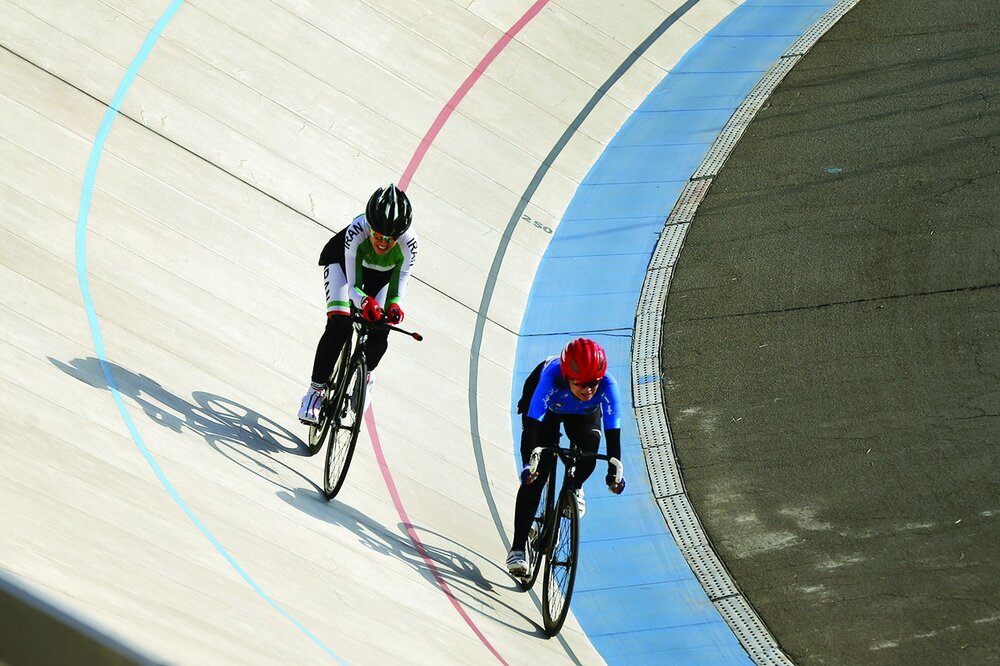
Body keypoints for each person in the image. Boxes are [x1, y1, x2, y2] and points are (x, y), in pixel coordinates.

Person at [505, 338, 627, 576]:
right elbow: (532, 427)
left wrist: (614, 474)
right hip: (547, 410)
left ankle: (573, 488)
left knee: (589, 456)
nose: (589, 390)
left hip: (582, 414)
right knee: (537, 475)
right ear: (568, 377)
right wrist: (528, 464)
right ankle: (518, 548)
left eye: (594, 383)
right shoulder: (551, 378)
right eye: (582, 384)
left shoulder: (608, 386)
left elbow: (613, 434)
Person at [298, 184, 418, 424]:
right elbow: (353, 287)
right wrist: (364, 301)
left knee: (380, 331)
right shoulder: (357, 230)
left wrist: (395, 306)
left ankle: (366, 377)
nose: (383, 243)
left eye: (391, 239)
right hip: (343, 265)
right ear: (369, 227)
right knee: (339, 324)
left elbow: (398, 287)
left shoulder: (410, 243)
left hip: (382, 276)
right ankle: (315, 392)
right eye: (378, 235)